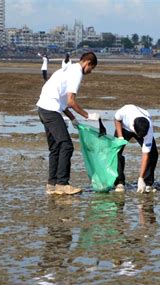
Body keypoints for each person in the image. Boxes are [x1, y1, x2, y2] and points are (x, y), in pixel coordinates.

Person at [37, 52, 100, 195]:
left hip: (42, 108)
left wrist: (72, 118)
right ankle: (62, 184)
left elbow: (63, 101)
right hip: (51, 110)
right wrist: (87, 116)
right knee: (67, 145)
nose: (91, 72)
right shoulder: (76, 73)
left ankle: (52, 185)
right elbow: (71, 101)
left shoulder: (67, 69)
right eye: (92, 68)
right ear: (88, 63)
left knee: (55, 148)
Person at [113, 104, 158, 193]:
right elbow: (117, 120)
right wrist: (120, 137)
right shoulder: (124, 111)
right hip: (124, 128)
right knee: (116, 152)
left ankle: (147, 183)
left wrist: (140, 178)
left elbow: (146, 154)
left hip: (141, 129)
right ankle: (119, 182)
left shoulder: (148, 128)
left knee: (153, 154)